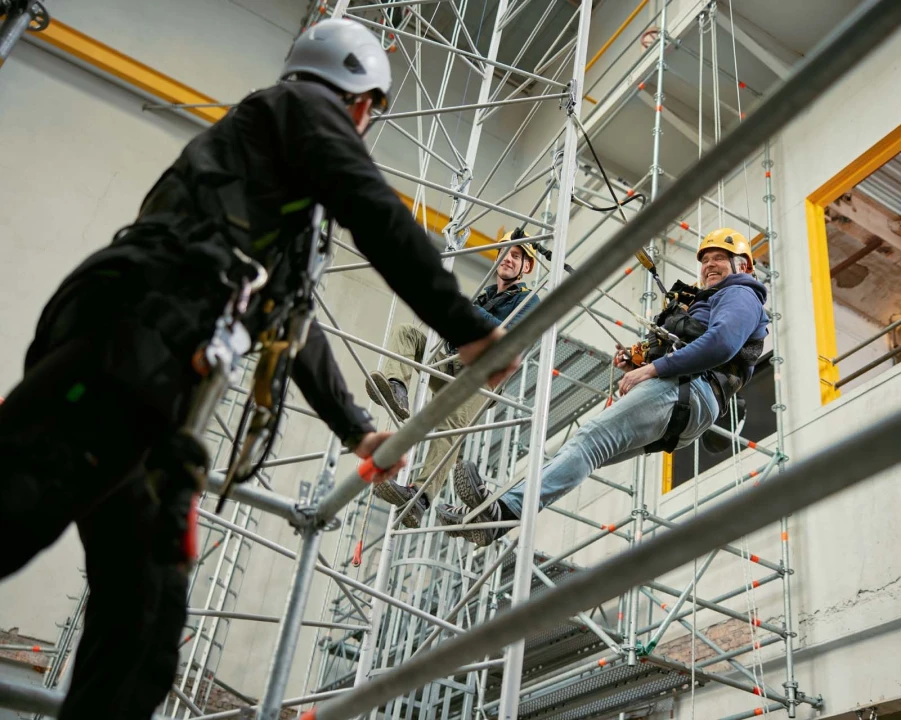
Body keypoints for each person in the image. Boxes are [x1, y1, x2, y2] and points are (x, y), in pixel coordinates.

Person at [0, 19, 516, 720]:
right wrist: (469, 329)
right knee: (21, 499)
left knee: (145, 629)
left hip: (162, 391)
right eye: (367, 113)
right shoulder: (294, 108)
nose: (362, 128)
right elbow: (374, 209)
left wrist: (357, 430)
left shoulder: (278, 203)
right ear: (359, 99)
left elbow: (291, 327)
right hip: (129, 343)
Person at [436, 228, 769, 546]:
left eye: (719, 258)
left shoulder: (739, 293)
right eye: (705, 259)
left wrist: (652, 369)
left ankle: (501, 512)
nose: (709, 265)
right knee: (587, 451)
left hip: (689, 390)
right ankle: (492, 516)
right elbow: (704, 345)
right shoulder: (711, 301)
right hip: (688, 404)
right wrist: (638, 365)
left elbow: (721, 344)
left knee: (588, 439)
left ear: (744, 265)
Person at [366, 233, 540, 526]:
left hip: (481, 375)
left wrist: (469, 311)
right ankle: (396, 388)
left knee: (451, 426)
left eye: (517, 255)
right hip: (450, 360)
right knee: (407, 334)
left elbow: (510, 338)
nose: (508, 258)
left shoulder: (527, 300)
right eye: (505, 252)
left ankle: (419, 497)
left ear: (527, 267)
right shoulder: (485, 295)